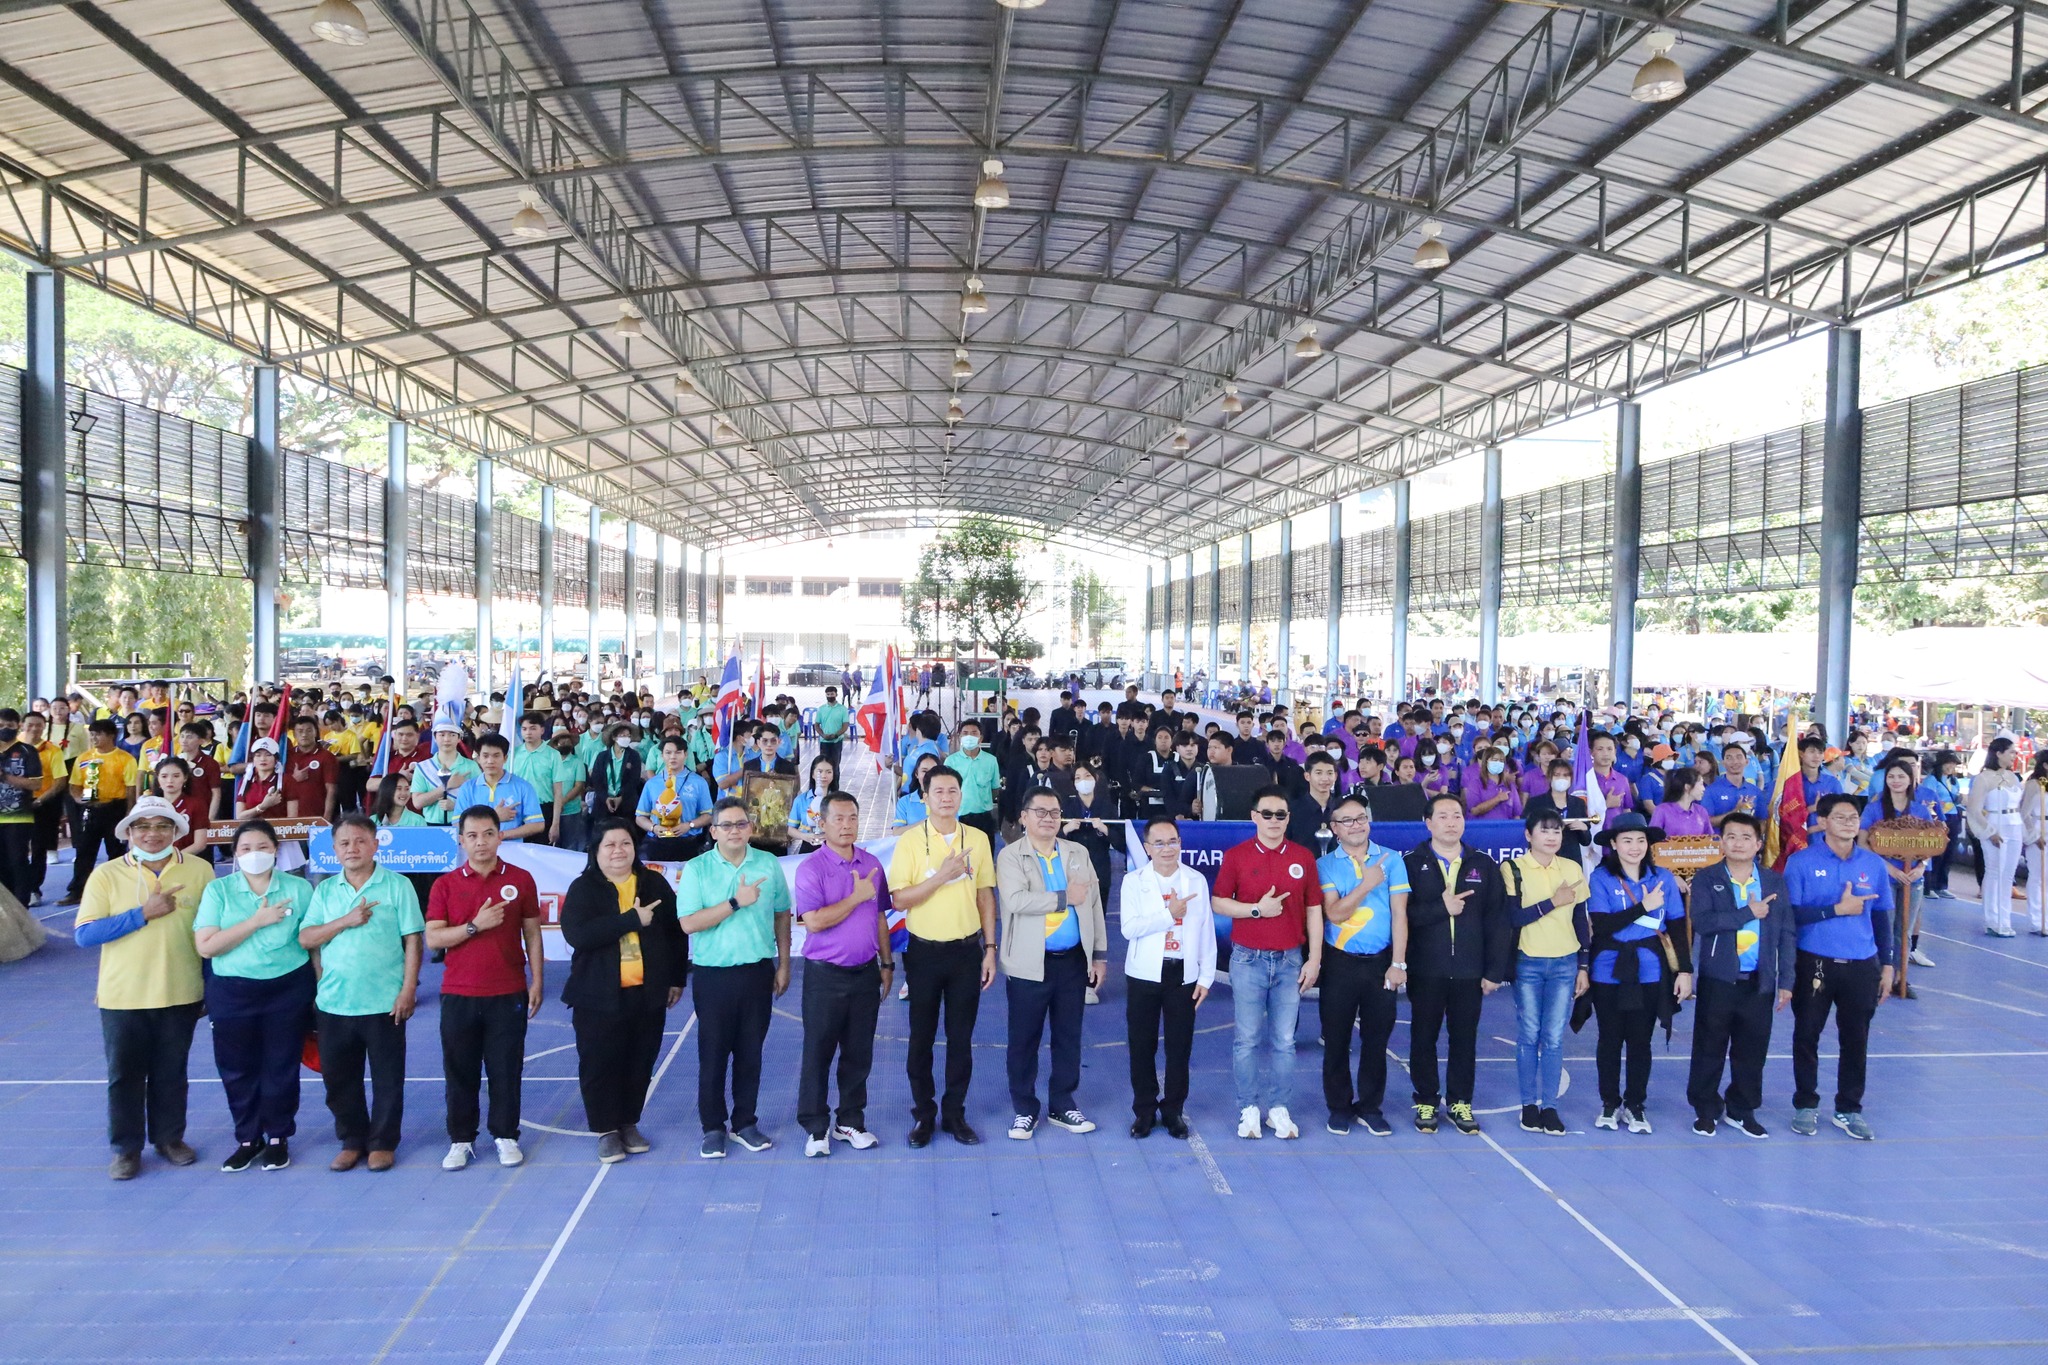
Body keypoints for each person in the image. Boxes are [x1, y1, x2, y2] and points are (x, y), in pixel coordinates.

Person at [73, 796, 211, 1179]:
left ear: (176, 831)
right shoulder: (106, 875)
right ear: (129, 832)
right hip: (123, 995)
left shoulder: (201, 872)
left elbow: (213, 932)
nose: (153, 834)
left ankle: (169, 1138)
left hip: (181, 991)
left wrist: (211, 988)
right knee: (124, 1075)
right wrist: (142, 915)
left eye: (162, 826)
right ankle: (126, 1148)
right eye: (144, 826)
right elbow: (85, 934)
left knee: (172, 1071)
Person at [298, 814, 425, 1171]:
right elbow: (307, 938)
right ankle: (352, 1139)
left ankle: (383, 1142)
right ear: (334, 850)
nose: (352, 848)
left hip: (385, 1002)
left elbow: (413, 940)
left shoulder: (398, 885)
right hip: (334, 1003)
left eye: (359, 841)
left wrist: (408, 988)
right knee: (339, 1079)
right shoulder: (324, 890)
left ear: (375, 843)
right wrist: (345, 920)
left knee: (387, 1078)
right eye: (343, 843)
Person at [425, 805, 545, 1171]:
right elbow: (433, 939)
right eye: (473, 836)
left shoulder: (522, 879)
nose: (481, 842)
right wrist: (474, 926)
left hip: (507, 991)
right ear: (461, 840)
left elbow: (532, 933)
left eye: (488, 833)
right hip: (459, 993)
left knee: (506, 1069)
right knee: (459, 1070)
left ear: (500, 836)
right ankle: (461, 1139)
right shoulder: (445, 884)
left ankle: (505, 1135)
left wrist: (536, 979)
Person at [560, 819, 687, 1164]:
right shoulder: (583, 888)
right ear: (596, 851)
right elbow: (578, 935)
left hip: (647, 993)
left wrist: (676, 978)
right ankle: (605, 1130)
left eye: (625, 843)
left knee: (640, 1060)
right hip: (598, 996)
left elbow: (676, 934)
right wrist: (630, 920)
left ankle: (629, 1123)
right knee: (600, 1063)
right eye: (610, 845)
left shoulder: (654, 883)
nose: (619, 851)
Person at [887, 765, 999, 1147]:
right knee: (921, 1038)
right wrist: (942, 875)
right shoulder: (911, 841)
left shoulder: (979, 839)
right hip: (923, 955)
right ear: (925, 796)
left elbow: (986, 894)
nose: (946, 797)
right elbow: (899, 899)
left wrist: (991, 948)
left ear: (961, 796)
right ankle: (923, 1115)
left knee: (960, 1038)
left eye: (953, 791)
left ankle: (954, 1114)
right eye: (939, 791)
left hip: (967, 953)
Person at [674, 797, 792, 1159]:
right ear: (713, 832)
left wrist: (783, 963)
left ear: (751, 828)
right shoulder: (697, 869)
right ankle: (713, 1127)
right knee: (713, 1055)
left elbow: (782, 914)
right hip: (714, 976)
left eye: (741, 824)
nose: (735, 831)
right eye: (727, 825)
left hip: (757, 972)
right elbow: (688, 923)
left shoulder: (769, 864)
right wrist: (735, 902)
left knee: (750, 1054)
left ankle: (745, 1123)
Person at [996, 789, 1108, 1140]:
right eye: (1040, 812)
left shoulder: (1078, 852)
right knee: (1024, 1039)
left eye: (1054, 812)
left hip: (1072, 962)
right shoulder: (1011, 856)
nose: (1048, 818)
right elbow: (1015, 900)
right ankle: (1024, 1109)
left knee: (1068, 1036)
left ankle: (1062, 1104)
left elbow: (1093, 907)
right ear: (1024, 817)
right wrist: (1063, 899)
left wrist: (1099, 955)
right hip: (1029, 963)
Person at [1212, 785, 1319, 1140]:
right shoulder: (1237, 856)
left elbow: (1314, 910)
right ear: (1254, 816)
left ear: (1289, 818)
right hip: (1247, 960)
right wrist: (1257, 910)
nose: (1275, 821)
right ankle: (1248, 1108)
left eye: (1281, 814)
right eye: (1268, 814)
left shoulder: (1303, 857)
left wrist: (1314, 958)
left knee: (1285, 1041)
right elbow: (1219, 902)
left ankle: (1279, 1108)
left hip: (1290, 961)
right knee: (1246, 1039)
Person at [1784, 792, 1894, 1139]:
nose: (1849, 823)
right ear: (1824, 822)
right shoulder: (1800, 862)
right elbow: (1792, 916)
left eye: (1853, 817)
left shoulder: (1874, 864)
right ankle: (1806, 1104)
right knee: (1807, 1033)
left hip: (1862, 964)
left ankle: (1848, 1108)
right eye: (1841, 817)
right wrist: (1835, 909)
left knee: (1856, 1037)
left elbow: (1882, 919)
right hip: (1814, 961)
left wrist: (1888, 964)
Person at [1402, 794, 1510, 1134]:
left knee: (1464, 1039)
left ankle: (1461, 1102)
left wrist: (1494, 971)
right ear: (1428, 822)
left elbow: (1498, 921)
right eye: (1444, 816)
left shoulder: (1483, 864)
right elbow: (1403, 917)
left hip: (1469, 971)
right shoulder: (1411, 863)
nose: (1452, 822)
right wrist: (1440, 908)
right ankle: (1426, 1101)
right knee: (1423, 1037)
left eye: (1458, 816)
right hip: (1426, 970)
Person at [792, 792, 892, 1157]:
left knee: (858, 1052)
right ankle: (816, 1127)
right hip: (825, 977)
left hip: (865, 974)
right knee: (817, 1052)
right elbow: (814, 922)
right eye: (839, 819)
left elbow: (880, 917)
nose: (847, 825)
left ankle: (850, 1120)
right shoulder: (811, 868)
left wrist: (886, 963)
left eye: (852, 818)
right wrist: (855, 896)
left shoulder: (872, 863)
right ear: (823, 822)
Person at [1685, 812, 1794, 1138]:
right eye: (1731, 836)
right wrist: (1748, 912)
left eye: (1747, 837)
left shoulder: (1774, 881)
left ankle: (1742, 1109)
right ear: (1721, 842)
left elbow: (1787, 933)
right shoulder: (1707, 879)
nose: (1739, 843)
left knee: (1752, 1051)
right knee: (1709, 1047)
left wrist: (1786, 981)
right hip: (1719, 980)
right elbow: (1703, 923)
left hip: (1758, 981)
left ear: (1759, 844)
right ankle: (1705, 1109)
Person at [1581, 812, 1691, 1134]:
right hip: (1608, 970)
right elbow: (1602, 926)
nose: (1634, 846)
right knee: (1610, 1039)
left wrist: (1684, 970)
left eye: (1641, 840)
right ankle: (1610, 1103)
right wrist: (1643, 906)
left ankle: (1636, 1104)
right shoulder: (1601, 878)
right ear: (1613, 844)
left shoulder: (1664, 878)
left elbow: (1675, 927)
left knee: (1641, 1041)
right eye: (1627, 840)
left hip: (1650, 971)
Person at [1315, 796, 1410, 1138]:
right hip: (1339, 963)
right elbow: (1335, 913)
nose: (1356, 825)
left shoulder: (1393, 859)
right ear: (1334, 828)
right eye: (1347, 820)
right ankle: (1339, 1107)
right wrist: (1368, 883)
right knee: (1337, 1039)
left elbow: (1400, 914)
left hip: (1381, 962)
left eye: (1361, 818)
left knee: (1376, 1040)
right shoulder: (1325, 864)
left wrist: (1398, 963)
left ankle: (1370, 1107)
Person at [1121, 817, 1215, 1139]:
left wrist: (1206, 976)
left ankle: (1173, 1110)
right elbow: (1129, 928)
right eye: (1158, 843)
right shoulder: (1134, 882)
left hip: (1182, 975)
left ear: (1180, 843)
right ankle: (1144, 1110)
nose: (1167, 849)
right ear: (1147, 848)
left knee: (1179, 1048)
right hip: (1144, 975)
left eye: (1172, 841)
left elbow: (1206, 931)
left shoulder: (1196, 880)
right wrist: (1168, 915)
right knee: (1141, 1045)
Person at [1504, 809, 1589, 1136]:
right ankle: (1529, 1106)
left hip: (1565, 963)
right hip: (1528, 962)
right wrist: (1553, 902)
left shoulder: (1571, 868)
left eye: (1557, 831)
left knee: (1553, 1038)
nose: (1553, 837)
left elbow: (1581, 920)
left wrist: (1583, 964)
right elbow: (1514, 918)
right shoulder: (1512, 868)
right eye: (1545, 830)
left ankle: (1550, 1107)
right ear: (1529, 835)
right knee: (1529, 1035)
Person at [1862, 759, 1942, 992]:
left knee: (1904, 931)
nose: (1896, 781)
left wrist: (1920, 867)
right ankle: (1878, 976)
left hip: (1913, 879)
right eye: (1891, 777)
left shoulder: (1920, 810)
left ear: (1911, 780)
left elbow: (1931, 844)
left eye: (1901, 777)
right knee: (1884, 926)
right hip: (1885, 878)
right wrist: (1891, 869)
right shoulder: (1875, 808)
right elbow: (1863, 843)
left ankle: (1900, 977)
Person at [62, 719, 138, 906]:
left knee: (116, 851)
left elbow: (130, 788)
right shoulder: (84, 758)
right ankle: (77, 890)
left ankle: (119, 889)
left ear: (111, 735)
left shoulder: (125, 758)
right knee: (84, 850)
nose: (94, 738)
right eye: (92, 734)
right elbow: (74, 786)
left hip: (115, 809)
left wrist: (129, 812)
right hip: (90, 809)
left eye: (98, 734)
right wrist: (81, 800)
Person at [1967, 737, 2025, 937]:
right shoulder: (1984, 778)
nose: (2014, 756)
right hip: (1994, 825)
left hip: (2014, 825)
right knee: (1994, 872)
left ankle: (2005, 918)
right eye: (2011, 752)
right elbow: (1974, 809)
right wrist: (1989, 831)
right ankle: (1992, 919)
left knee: (2008, 875)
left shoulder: (2013, 777)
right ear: (1998, 753)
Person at [451, 734, 545, 842]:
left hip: (512, 852)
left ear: (505, 758)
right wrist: (494, 816)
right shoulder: (467, 788)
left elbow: (537, 824)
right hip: (477, 850)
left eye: (496, 756)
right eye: (485, 756)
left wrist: (501, 835)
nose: (490, 761)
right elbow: (458, 824)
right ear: (478, 759)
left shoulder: (523, 786)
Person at [636, 735, 715, 859]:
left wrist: (689, 825)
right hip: (657, 843)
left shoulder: (699, 782)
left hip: (689, 843)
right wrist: (653, 827)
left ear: (685, 755)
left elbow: (708, 815)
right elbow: (640, 817)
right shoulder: (652, 783)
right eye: (668, 753)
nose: (673, 757)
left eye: (678, 752)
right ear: (662, 756)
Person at [0, 708, 46, 908]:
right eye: (1, 726)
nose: (5, 729)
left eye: (9, 726)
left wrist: (5, 777)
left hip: (18, 816)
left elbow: (36, 784)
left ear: (18, 726)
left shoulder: (28, 751)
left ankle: (22, 908)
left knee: (17, 862)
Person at [408, 720, 481, 827]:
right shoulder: (423, 767)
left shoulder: (471, 766)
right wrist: (446, 787)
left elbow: (480, 800)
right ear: (435, 737)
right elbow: (418, 803)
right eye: (442, 735)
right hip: (431, 825)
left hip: (464, 825)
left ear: (459, 738)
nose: (446, 739)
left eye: (452, 735)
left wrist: (457, 806)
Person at [509, 713, 568, 845]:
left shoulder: (553, 755)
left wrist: (555, 823)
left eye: (532, 728)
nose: (528, 732)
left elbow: (558, 792)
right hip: (518, 809)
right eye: (524, 729)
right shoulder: (514, 754)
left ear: (542, 730)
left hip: (544, 809)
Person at [948, 719, 1003, 843]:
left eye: (974, 733)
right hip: (958, 816)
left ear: (981, 738)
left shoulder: (991, 760)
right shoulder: (951, 761)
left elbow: (995, 789)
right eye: (965, 733)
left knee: (985, 852)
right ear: (960, 737)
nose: (969, 737)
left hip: (984, 817)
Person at [786, 754, 838, 856]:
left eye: (828, 772)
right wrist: (805, 836)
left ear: (833, 775)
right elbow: (790, 829)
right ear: (813, 774)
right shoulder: (801, 800)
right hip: (808, 849)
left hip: (834, 849)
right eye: (819, 771)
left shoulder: (839, 800)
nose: (824, 775)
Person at [2021, 753, 2048, 935]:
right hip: (2039, 827)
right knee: (2037, 876)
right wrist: (2033, 834)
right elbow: (2024, 813)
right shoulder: (2034, 784)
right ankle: (2037, 920)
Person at [1652, 767, 1713, 838]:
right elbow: (1653, 839)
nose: (1703, 789)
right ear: (1687, 787)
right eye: (1701, 784)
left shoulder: (1701, 811)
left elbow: (1710, 838)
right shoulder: (1662, 810)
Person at [814, 686, 852, 772]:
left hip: (836, 742)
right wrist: (823, 735)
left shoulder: (842, 709)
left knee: (835, 766)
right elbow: (816, 725)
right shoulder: (821, 709)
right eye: (828, 694)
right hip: (824, 742)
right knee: (824, 765)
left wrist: (836, 735)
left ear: (836, 694)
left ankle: (835, 785)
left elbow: (845, 725)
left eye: (832, 694)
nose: (830, 696)